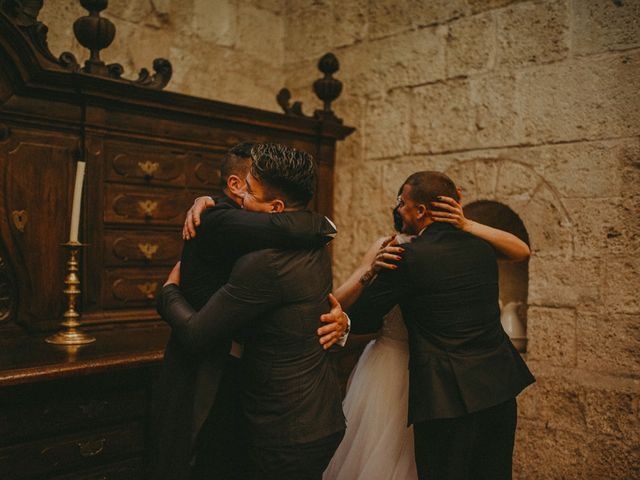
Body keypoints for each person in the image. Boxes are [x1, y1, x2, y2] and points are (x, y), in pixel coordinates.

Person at [150, 143, 346, 480]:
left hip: (287, 428)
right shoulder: (312, 245)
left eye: (249, 191)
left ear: (277, 207)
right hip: (318, 413)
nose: (240, 198)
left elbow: (196, 333)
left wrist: (167, 293)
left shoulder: (265, 263)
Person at [323, 188, 532, 480]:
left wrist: (466, 223)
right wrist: (371, 270)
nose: (396, 208)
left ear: (420, 210)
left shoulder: (458, 245)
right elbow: (352, 297)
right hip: (399, 365)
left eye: (401, 203)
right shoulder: (392, 248)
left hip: (437, 372)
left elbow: (521, 250)